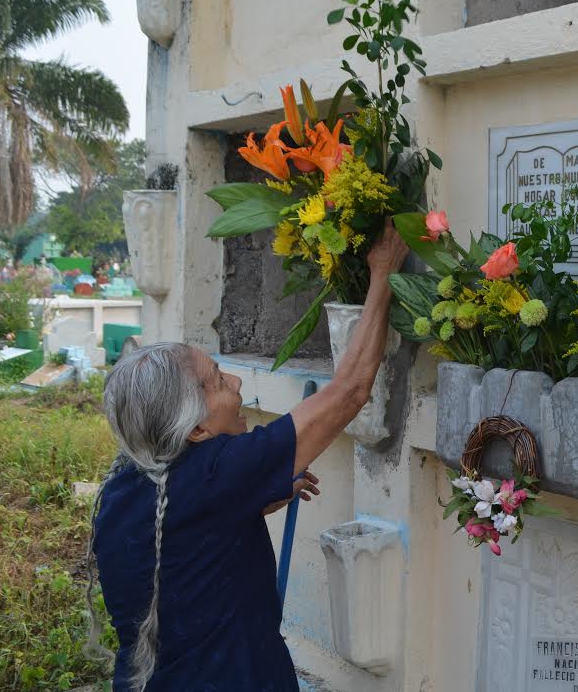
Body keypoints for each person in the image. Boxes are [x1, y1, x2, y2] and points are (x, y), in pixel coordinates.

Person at [84, 226, 410, 691]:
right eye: (219, 381)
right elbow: (350, 391)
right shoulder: (218, 473)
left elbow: (190, 546)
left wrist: (258, 497)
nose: (236, 385)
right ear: (195, 429)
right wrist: (382, 273)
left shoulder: (124, 488)